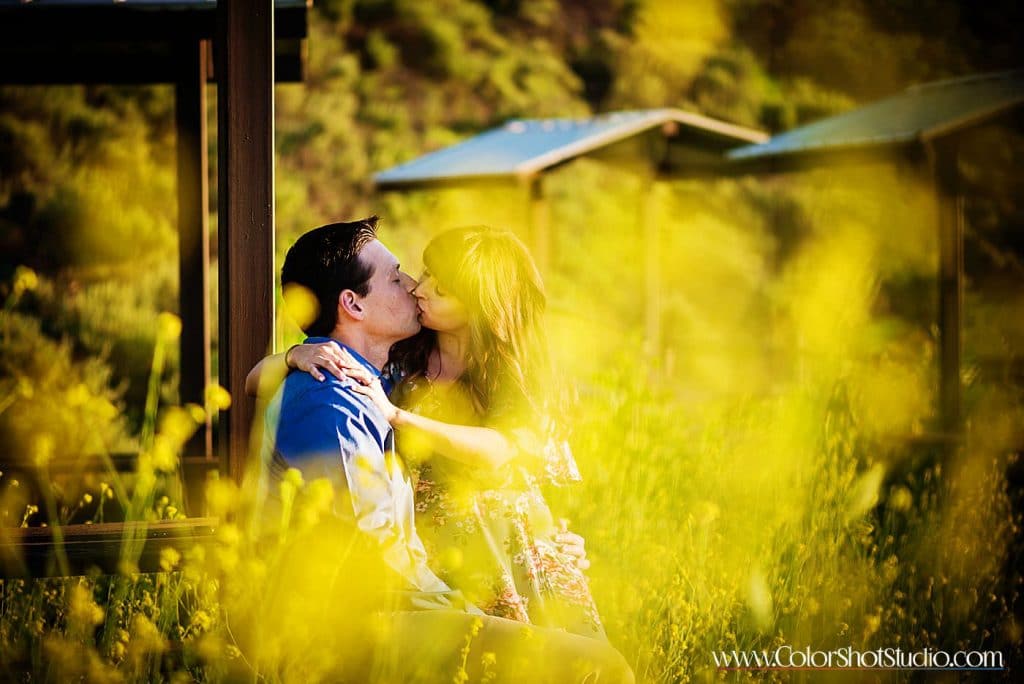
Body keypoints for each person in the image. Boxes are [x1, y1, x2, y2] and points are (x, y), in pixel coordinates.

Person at [256, 217, 633, 683]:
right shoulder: (396, 361)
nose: (417, 287)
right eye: (408, 275)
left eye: (439, 284)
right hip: (430, 567)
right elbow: (264, 380)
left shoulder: (509, 377)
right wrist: (295, 354)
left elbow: (508, 455)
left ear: (476, 302)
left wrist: (560, 535)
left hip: (504, 556)